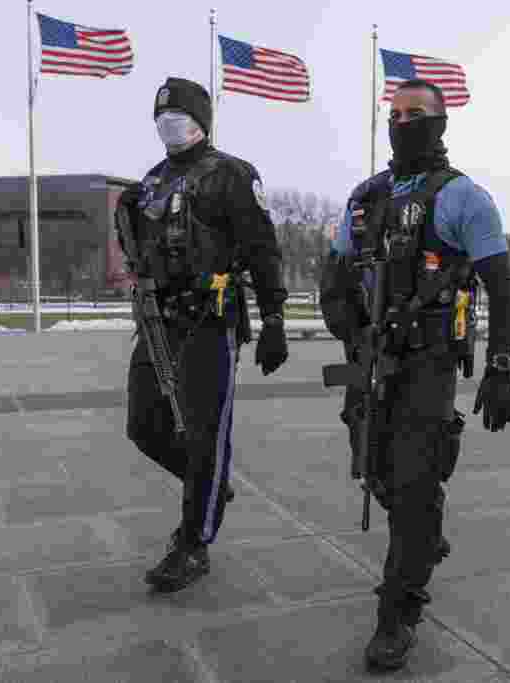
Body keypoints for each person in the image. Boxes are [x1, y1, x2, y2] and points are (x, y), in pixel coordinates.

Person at [319, 78, 510, 671]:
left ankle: (398, 610)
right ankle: (425, 538)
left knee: (411, 482)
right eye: (394, 113)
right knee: (373, 469)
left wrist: (500, 365)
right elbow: (335, 276)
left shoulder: (464, 198)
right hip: (369, 358)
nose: (401, 122)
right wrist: (352, 334)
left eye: (415, 114)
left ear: (439, 123)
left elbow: (502, 288)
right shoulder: (364, 196)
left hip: (429, 362)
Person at [116, 77, 289, 593]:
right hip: (158, 321)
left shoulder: (232, 175)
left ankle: (193, 543)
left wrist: (274, 318)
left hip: (210, 321)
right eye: (161, 116)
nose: (169, 123)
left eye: (180, 115)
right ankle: (211, 486)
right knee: (143, 425)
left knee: (204, 435)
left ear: (202, 120)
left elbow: (263, 249)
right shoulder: (149, 184)